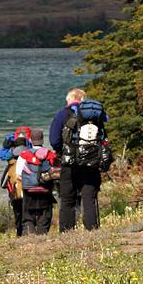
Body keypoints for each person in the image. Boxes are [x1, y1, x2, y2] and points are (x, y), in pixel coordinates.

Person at [50, 87, 105, 232]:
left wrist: (63, 151)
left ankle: (67, 231)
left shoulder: (61, 115)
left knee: (67, 198)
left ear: (70, 99)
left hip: (69, 162)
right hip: (91, 161)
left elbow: (54, 140)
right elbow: (103, 136)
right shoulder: (94, 115)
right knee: (89, 197)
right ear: (82, 99)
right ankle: (92, 230)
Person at [0, 126, 32, 236]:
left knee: (17, 210)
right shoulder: (29, 148)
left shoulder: (10, 152)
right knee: (27, 208)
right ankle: (28, 230)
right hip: (27, 182)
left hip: (13, 184)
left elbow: (1, 156)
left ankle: (19, 232)